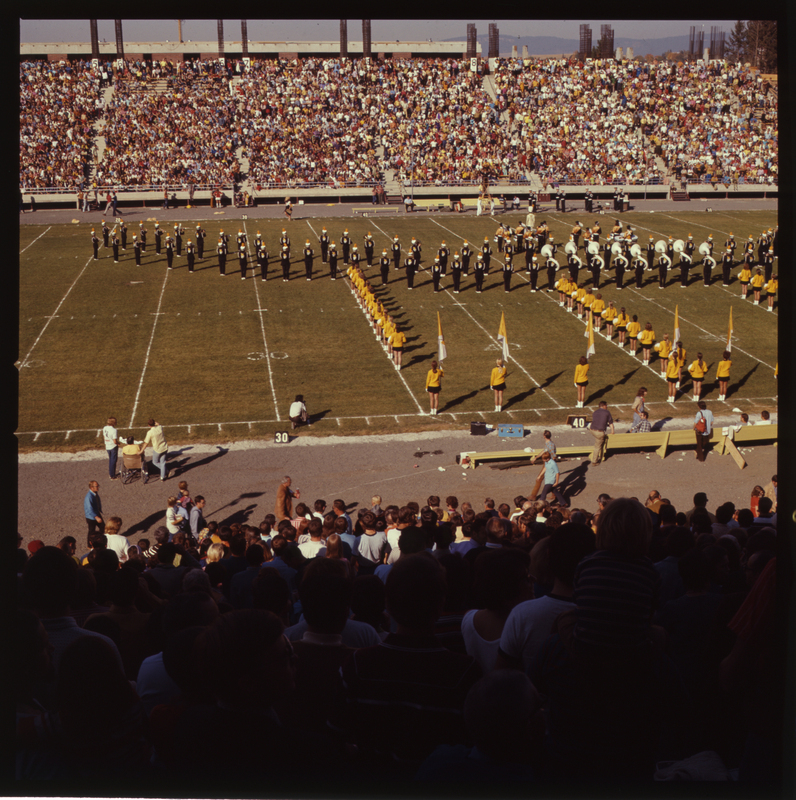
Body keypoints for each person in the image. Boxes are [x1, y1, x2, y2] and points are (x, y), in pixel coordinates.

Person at [588, 401, 614, 466]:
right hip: (599, 432)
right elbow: (611, 423)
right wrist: (612, 431)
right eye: (606, 406)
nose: (607, 407)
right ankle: (594, 461)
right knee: (597, 446)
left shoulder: (595, 412)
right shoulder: (607, 412)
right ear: (604, 406)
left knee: (598, 439)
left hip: (592, 430)